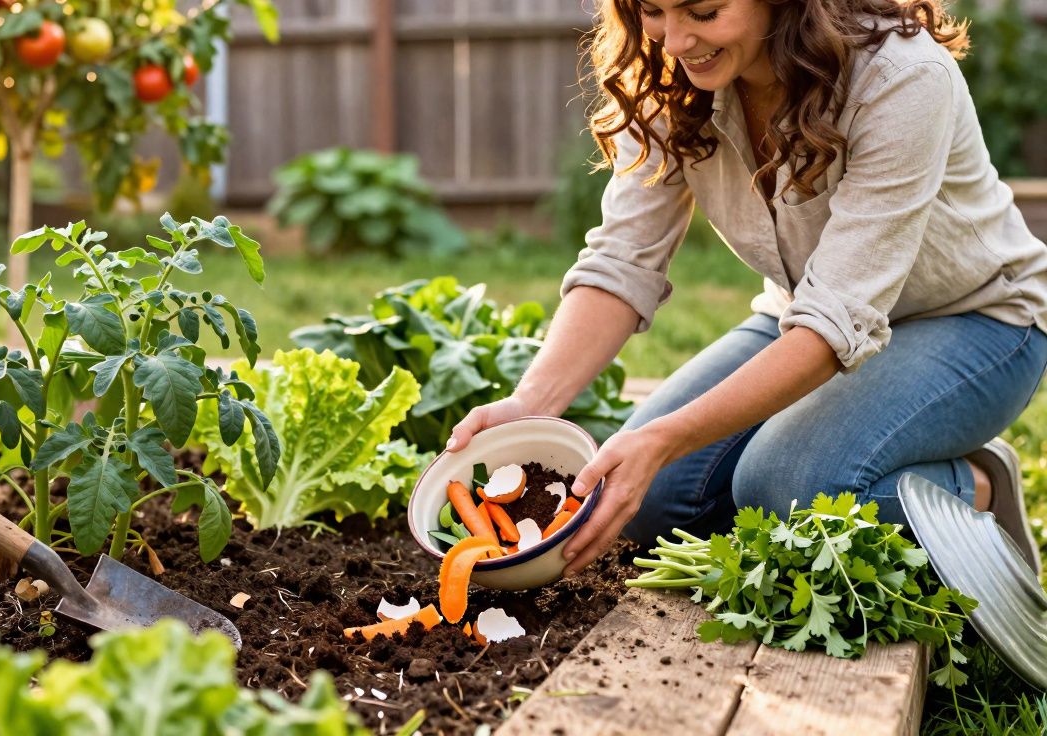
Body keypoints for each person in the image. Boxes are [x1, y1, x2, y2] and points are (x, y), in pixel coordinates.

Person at [446, 0, 1047, 579]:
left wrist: (663, 437)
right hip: (802, 315)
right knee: (650, 501)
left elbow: (837, 317)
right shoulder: (667, 76)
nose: (674, 41)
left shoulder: (900, 76)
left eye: (703, 13)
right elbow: (622, 259)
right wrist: (532, 404)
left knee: (789, 485)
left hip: (977, 322)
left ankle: (975, 489)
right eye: (652, 12)